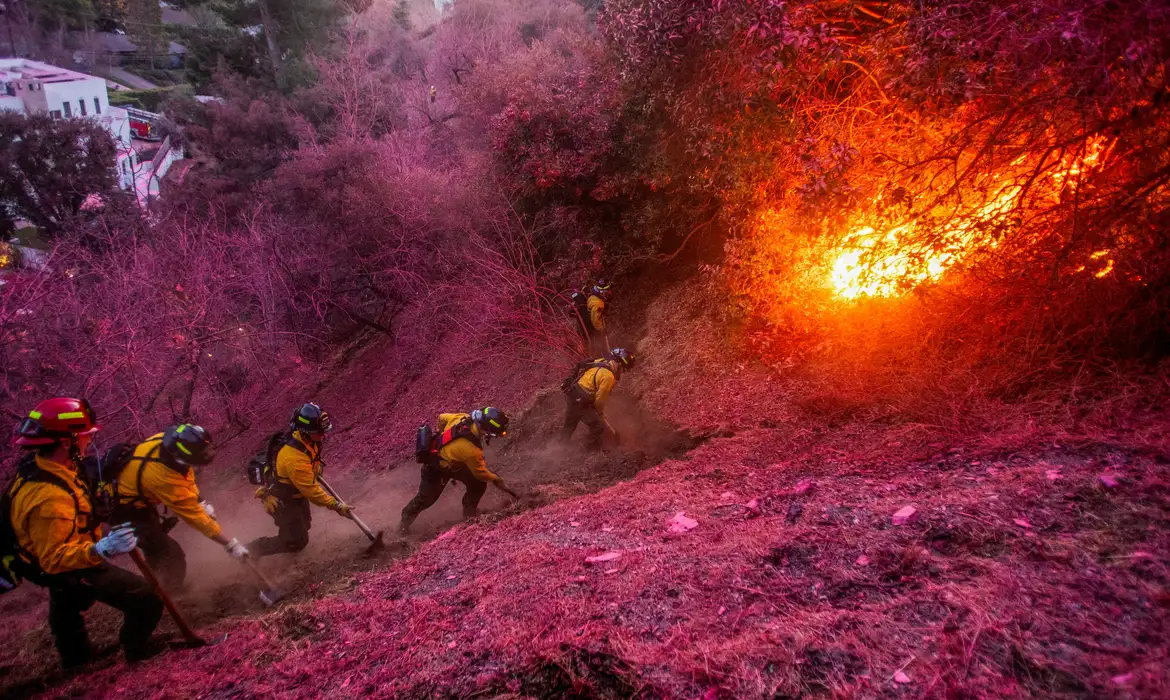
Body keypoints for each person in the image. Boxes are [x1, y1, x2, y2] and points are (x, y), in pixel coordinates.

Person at [6, 398, 163, 667]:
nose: (89, 440)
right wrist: (101, 549)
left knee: (66, 611)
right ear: (66, 442)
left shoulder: (51, 467)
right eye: (85, 436)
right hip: (69, 564)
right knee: (146, 600)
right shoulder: (48, 498)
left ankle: (76, 663)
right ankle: (136, 652)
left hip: (61, 557)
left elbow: (76, 502)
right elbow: (54, 559)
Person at [114, 424, 249, 587]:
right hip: (124, 509)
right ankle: (164, 592)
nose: (209, 453)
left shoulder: (171, 446)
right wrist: (230, 545)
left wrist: (200, 501)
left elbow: (185, 476)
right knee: (166, 552)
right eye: (204, 453)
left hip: (140, 494)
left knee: (162, 546)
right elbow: (195, 518)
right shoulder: (163, 478)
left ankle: (164, 584)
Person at [248, 403, 353, 557]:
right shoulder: (294, 458)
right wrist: (336, 505)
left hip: (296, 495)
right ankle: (251, 550)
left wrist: (316, 470)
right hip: (283, 500)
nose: (323, 435)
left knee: (305, 524)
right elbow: (312, 491)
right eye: (319, 432)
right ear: (305, 431)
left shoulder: (309, 440)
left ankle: (290, 540)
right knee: (296, 541)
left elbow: (312, 461)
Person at [399, 407, 517, 534]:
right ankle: (403, 524)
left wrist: (442, 435)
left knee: (477, 484)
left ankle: (469, 514)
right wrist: (497, 479)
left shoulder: (462, 417)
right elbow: (480, 473)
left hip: (453, 463)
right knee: (425, 500)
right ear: (488, 431)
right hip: (436, 468)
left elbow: (442, 417)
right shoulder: (472, 450)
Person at [561, 348, 635, 450]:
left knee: (569, 425)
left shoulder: (600, 361)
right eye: (624, 370)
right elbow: (600, 400)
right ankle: (587, 451)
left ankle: (560, 446)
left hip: (572, 395)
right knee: (598, 425)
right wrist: (600, 413)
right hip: (580, 402)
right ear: (619, 365)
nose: (622, 373)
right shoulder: (609, 377)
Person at [576, 279, 611, 356]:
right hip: (588, 323)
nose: (609, 293)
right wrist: (601, 329)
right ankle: (595, 355)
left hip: (582, 319)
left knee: (587, 341)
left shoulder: (592, 295)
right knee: (593, 341)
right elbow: (594, 319)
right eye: (607, 291)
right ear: (602, 292)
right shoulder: (599, 304)